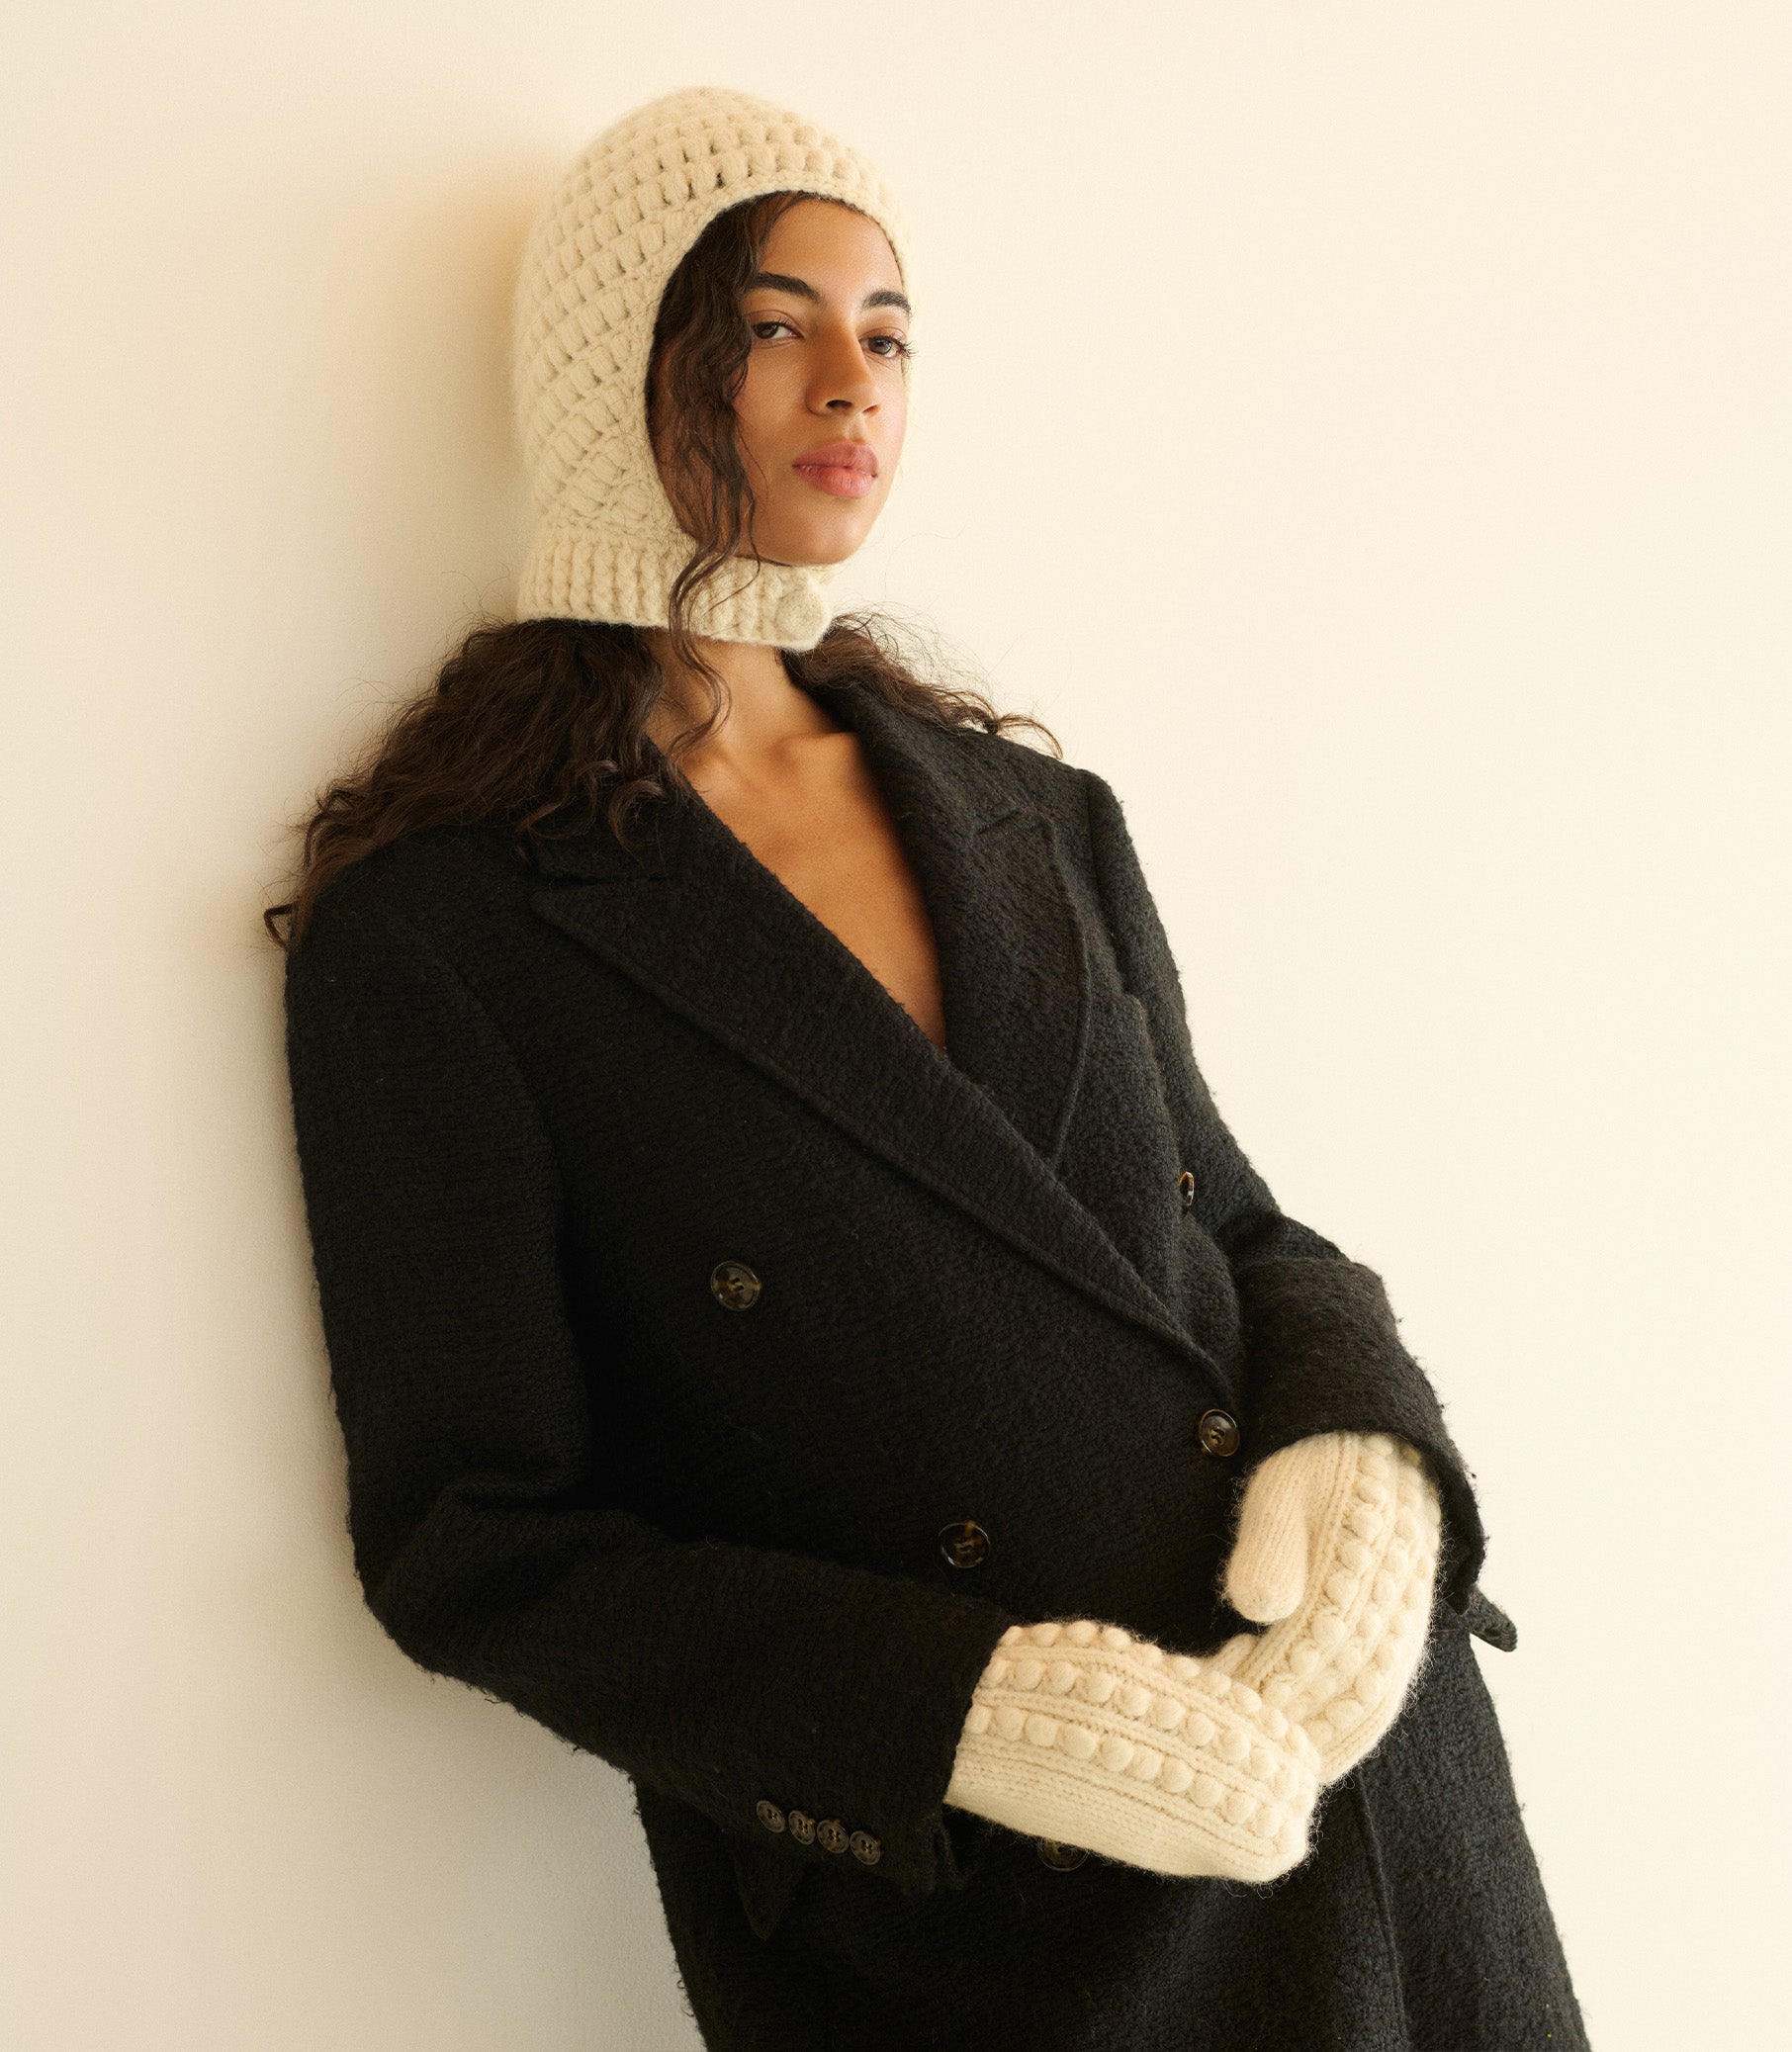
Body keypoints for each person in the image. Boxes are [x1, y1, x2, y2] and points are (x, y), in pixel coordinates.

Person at [271, 86, 1587, 2050]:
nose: (851, 384)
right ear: (618, 365)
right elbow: (476, 1541)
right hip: (996, 1920)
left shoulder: (1039, 818)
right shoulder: (445, 931)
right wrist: (971, 1719)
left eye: (889, 334)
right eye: (775, 323)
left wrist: (1376, 1461)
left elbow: (1235, 1231)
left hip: (1374, 1798)